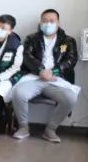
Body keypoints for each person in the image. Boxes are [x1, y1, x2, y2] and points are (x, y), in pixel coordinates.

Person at [10, 9, 79, 143]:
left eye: (52, 21)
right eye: (45, 21)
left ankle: (51, 129)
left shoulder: (68, 41)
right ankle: (23, 127)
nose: (48, 24)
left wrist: (53, 72)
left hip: (56, 79)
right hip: (34, 77)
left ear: (58, 23)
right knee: (18, 93)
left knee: (71, 98)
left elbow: (71, 60)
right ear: (40, 22)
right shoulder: (31, 39)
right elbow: (27, 57)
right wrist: (41, 71)